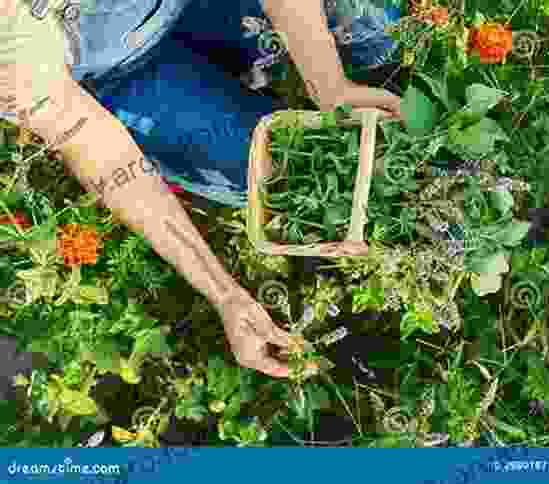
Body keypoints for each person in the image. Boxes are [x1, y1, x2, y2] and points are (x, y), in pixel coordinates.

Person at [0, 0, 403, 378]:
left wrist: (331, 86)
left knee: (374, 23)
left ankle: (410, 85)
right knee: (294, 177)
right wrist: (226, 294)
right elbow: (102, 154)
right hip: (124, 71)